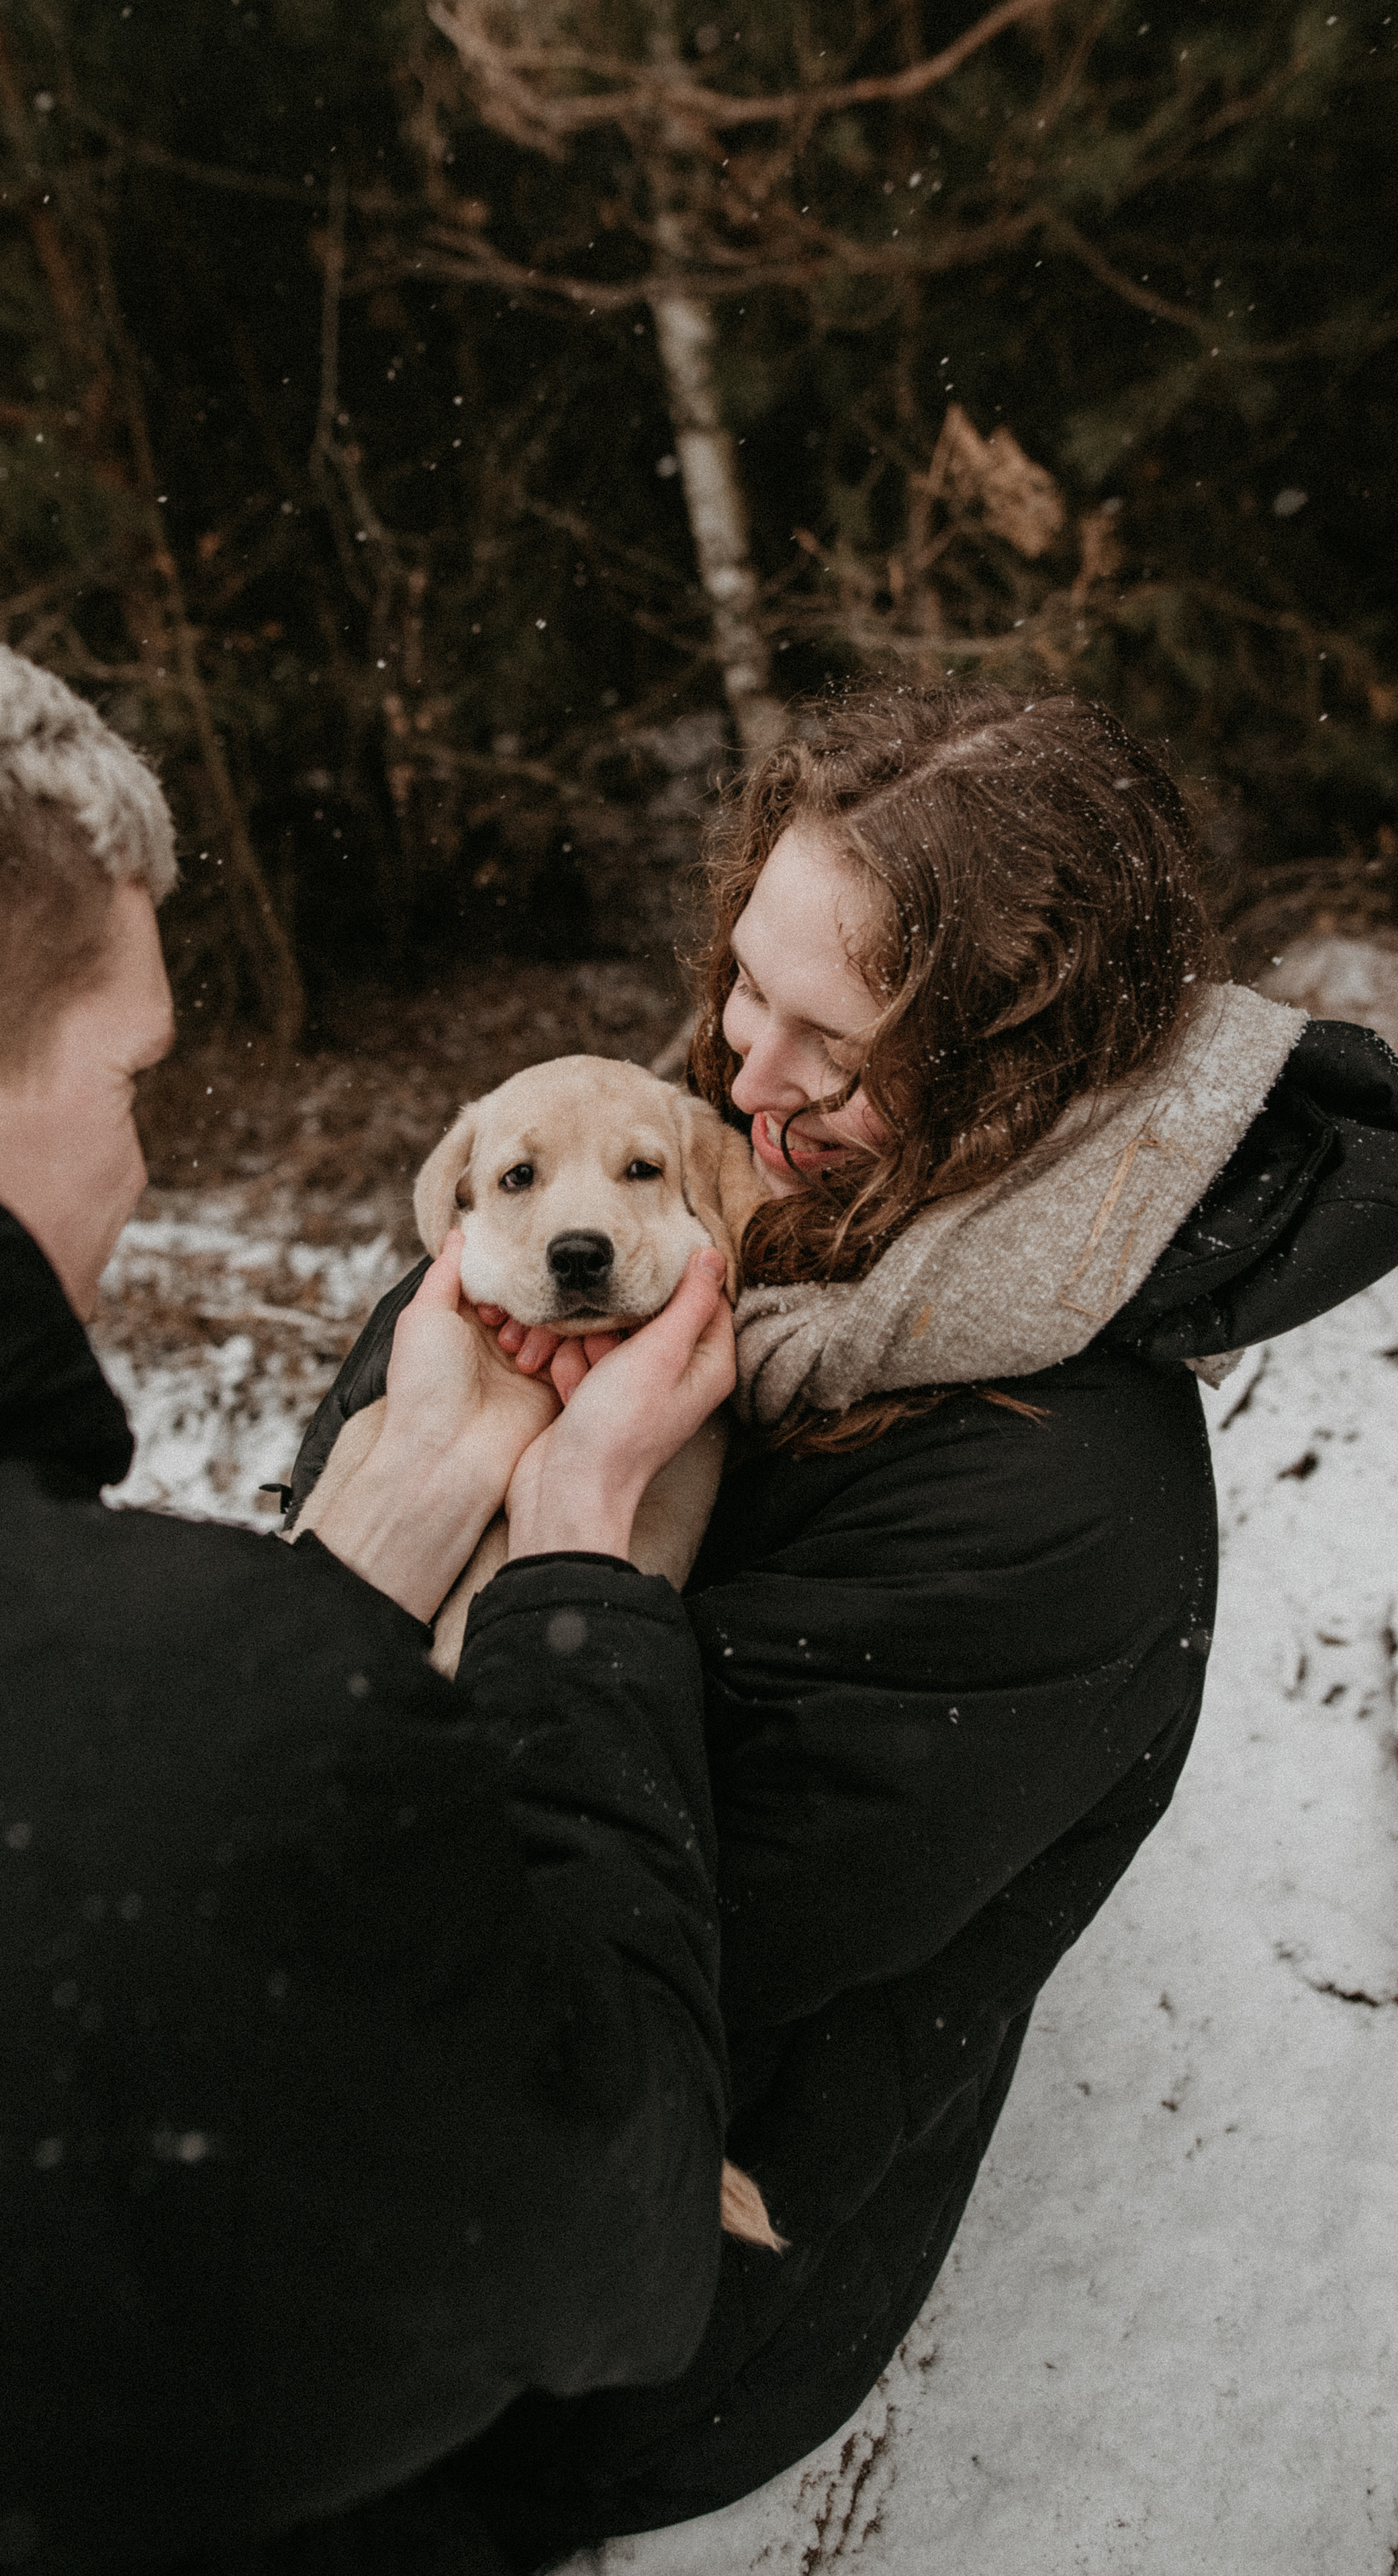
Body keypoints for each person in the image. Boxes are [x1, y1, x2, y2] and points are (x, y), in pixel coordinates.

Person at [0, 568, 744, 2576]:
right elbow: (619, 2237)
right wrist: (582, 1574)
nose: (152, 1166)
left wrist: (386, 1518)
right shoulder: (180, 1724)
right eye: (133, 1082)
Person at [289, 682, 1398, 2567]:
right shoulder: (714, 1149)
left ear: (1014, 1077)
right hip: (403, 2084)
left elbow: (608, 1969)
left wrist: (571, 1532)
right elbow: (359, 1487)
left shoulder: (1061, 1504)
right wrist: (419, 1460)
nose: (744, 1074)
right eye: (746, 987)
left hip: (629, 2291)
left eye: (838, 1041)